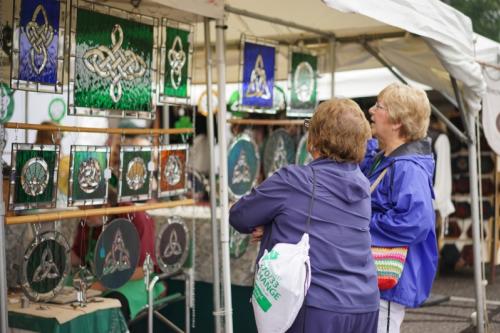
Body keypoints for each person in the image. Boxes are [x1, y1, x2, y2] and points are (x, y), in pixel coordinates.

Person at [230, 99, 379, 333]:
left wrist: (270, 225)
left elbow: (239, 216)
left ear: (316, 136)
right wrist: (275, 226)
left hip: (317, 306)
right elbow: (330, 228)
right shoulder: (361, 182)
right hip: (365, 303)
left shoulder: (294, 179)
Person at [361, 83, 438, 333]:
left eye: (379, 106)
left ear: (397, 121)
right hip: (378, 281)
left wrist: (361, 223)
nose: (371, 110)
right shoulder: (386, 159)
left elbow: (415, 223)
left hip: (388, 286)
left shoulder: (408, 169)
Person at [71, 132, 164, 321]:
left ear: (105, 205)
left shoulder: (135, 217)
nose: (83, 215)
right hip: (97, 279)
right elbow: (78, 258)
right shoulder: (87, 220)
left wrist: (104, 284)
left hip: (137, 281)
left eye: (87, 209)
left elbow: (145, 269)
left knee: (111, 306)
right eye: (81, 209)